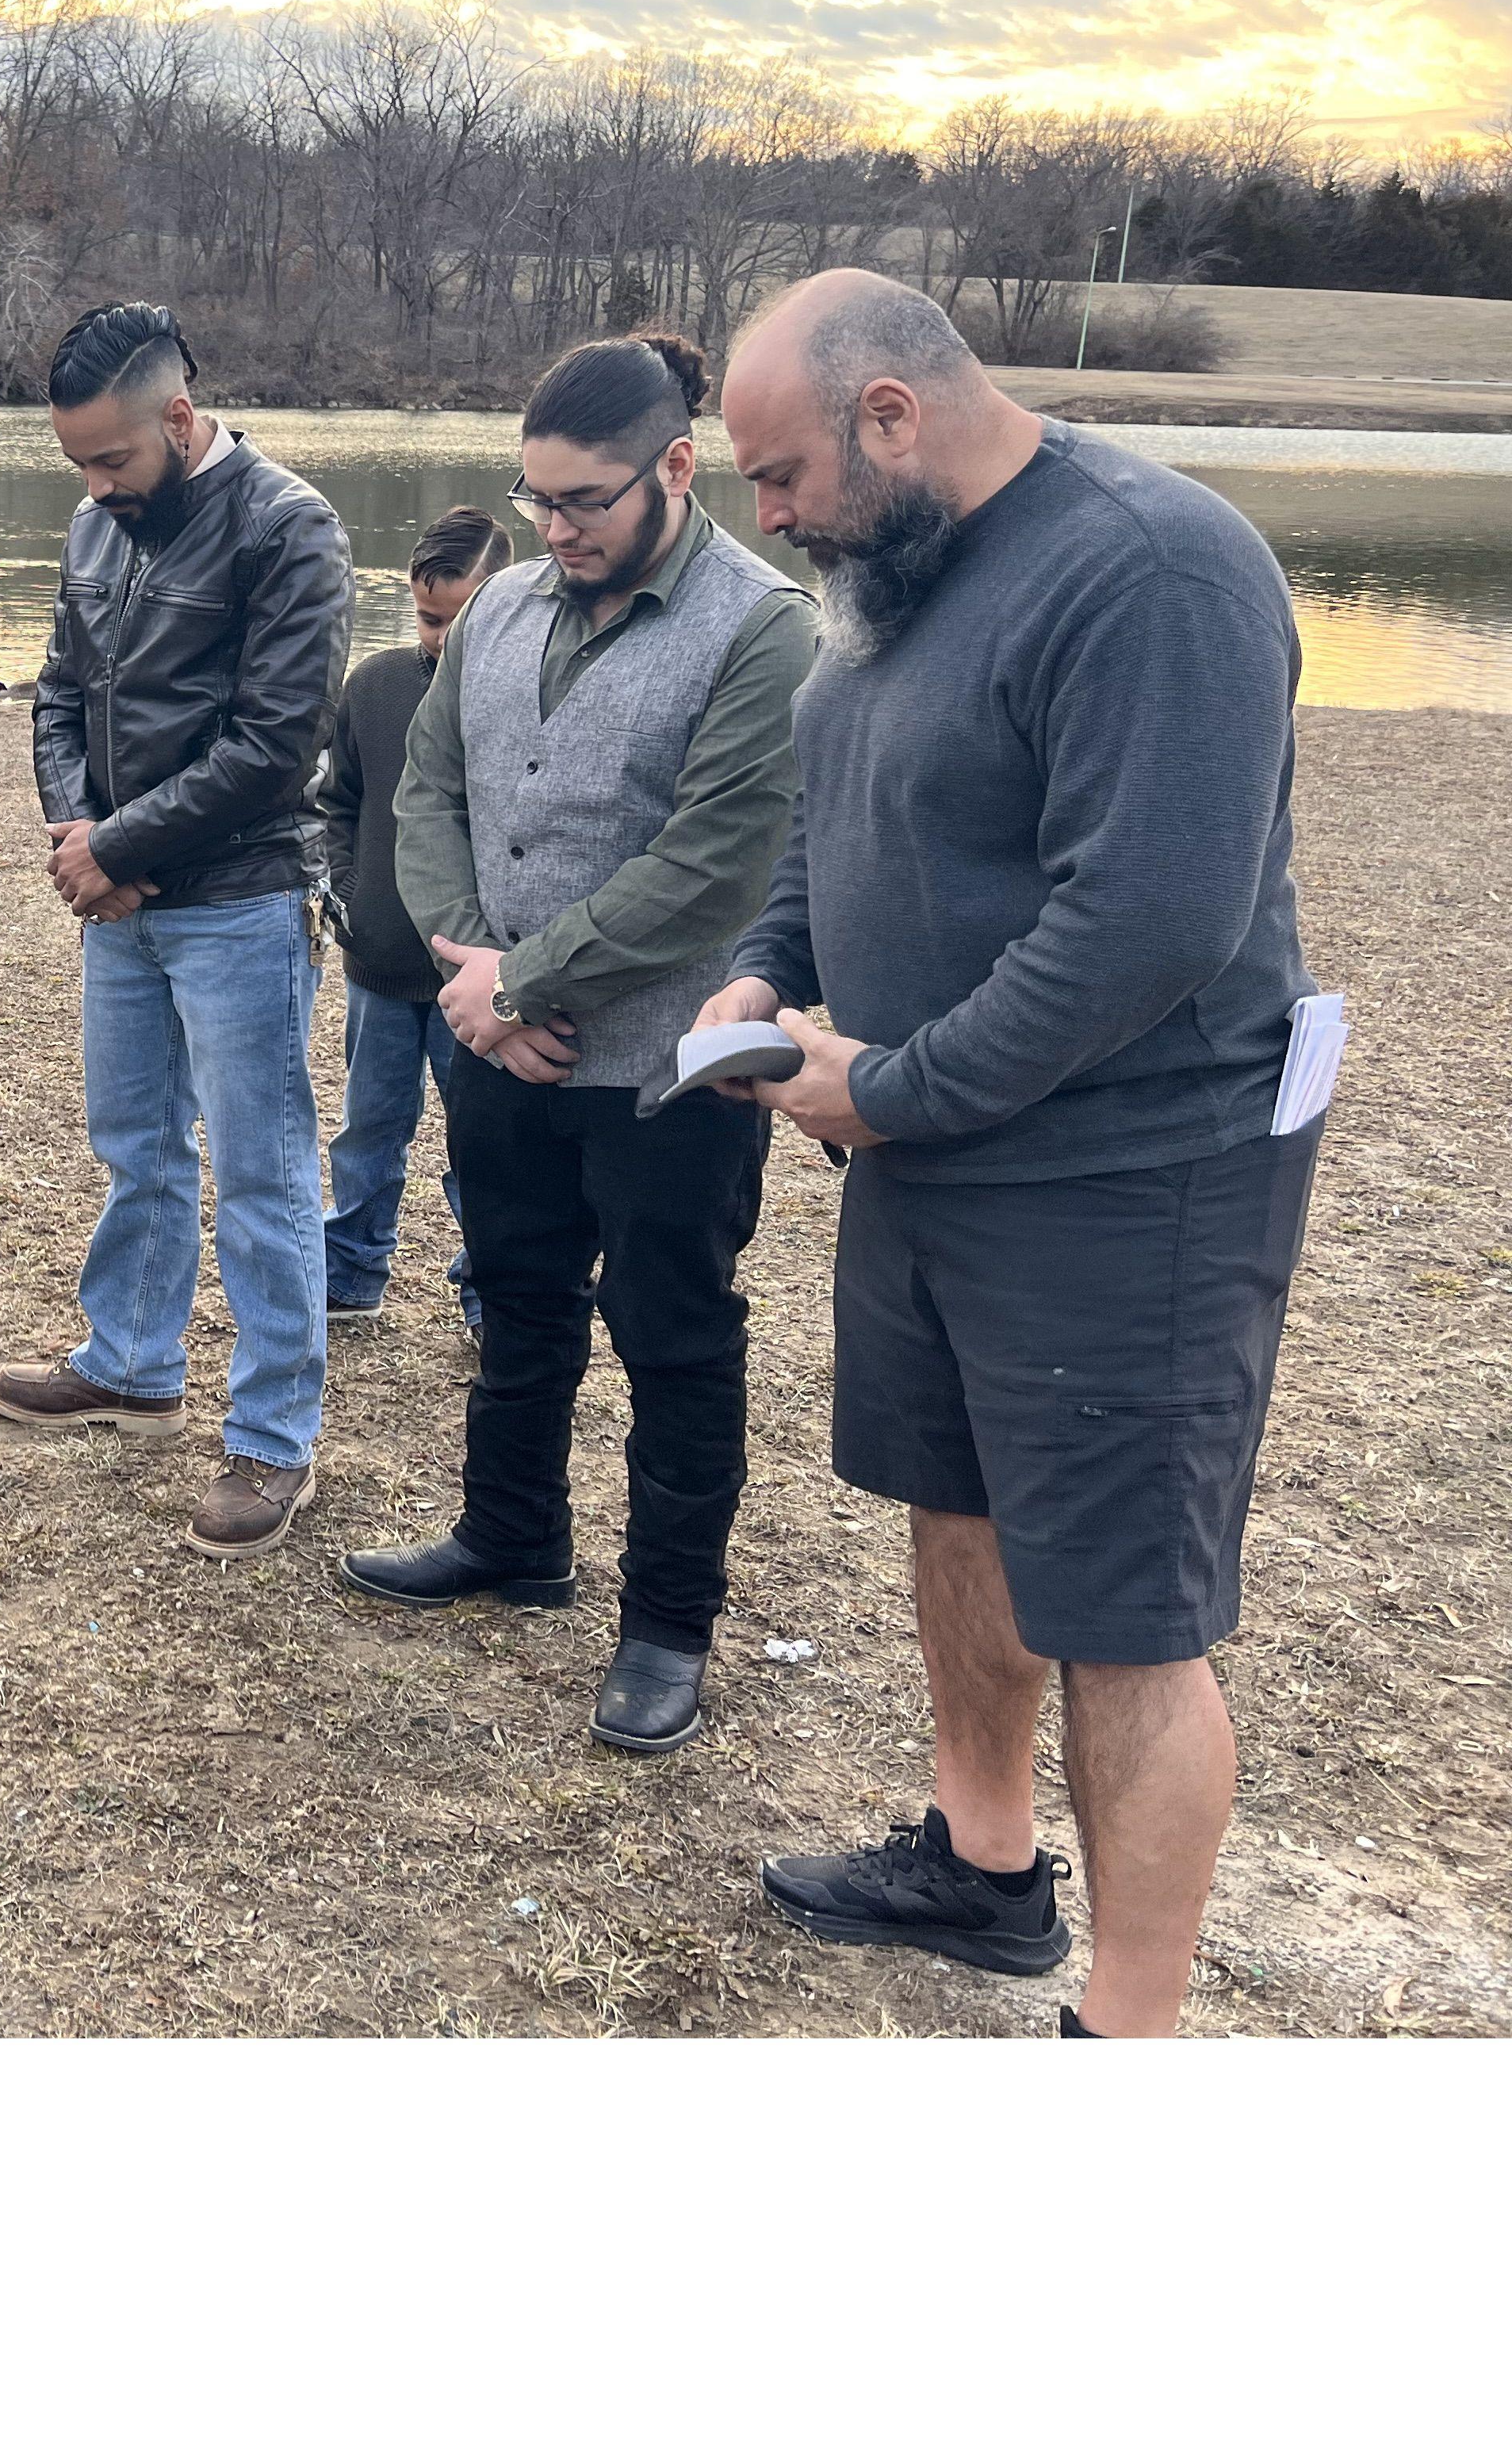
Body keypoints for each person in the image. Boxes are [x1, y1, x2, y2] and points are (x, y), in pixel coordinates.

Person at [706, 271, 1322, 2036]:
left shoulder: (1152, 571)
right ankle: (982, 1868)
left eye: (782, 476)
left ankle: (1122, 2031)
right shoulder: (890, 577)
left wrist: (888, 1086)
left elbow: (1148, 926)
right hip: (930, 1152)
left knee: (1129, 1609)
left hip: (1132, 1180)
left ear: (893, 413)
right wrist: (775, 970)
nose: (771, 519)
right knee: (958, 1507)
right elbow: (839, 810)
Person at [341, 332, 816, 1754]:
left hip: (670, 1070)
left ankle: (665, 1627)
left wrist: (518, 979)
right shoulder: (495, 611)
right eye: (536, 500)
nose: (553, 529)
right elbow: (429, 793)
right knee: (516, 1297)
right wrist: (471, 967)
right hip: (503, 1050)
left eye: (585, 503)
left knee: (674, 1340)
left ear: (677, 466)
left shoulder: (765, 627)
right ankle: (510, 1536)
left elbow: (718, 863)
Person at [0, 303, 353, 1558]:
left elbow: (275, 745)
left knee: (263, 1171)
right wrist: (76, 835)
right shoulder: (98, 526)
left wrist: (117, 847)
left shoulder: (291, 528)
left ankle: (272, 1436)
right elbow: (55, 693)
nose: (94, 487)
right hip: (122, 900)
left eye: (112, 461)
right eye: (78, 465)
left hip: (242, 901)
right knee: (133, 1141)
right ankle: (133, 1365)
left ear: (181, 419)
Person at [314, 507, 509, 1337]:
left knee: (484, 1152)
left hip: (480, 981)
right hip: (378, 970)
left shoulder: (519, 701)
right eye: (430, 618)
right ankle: (352, 1273)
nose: (441, 637)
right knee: (368, 1134)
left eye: (461, 619)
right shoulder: (374, 688)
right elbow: (333, 804)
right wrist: (346, 893)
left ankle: (488, 1296)